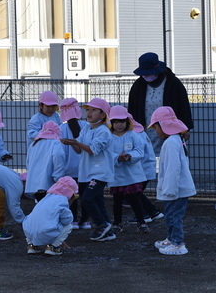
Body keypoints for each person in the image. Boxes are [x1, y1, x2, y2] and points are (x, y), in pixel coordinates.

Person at [61, 98, 116, 242]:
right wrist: (71, 143)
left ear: (103, 114)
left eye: (93, 110)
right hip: (87, 172)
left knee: (87, 198)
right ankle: (108, 230)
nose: (89, 113)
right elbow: (79, 150)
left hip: (100, 173)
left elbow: (92, 150)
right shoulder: (86, 128)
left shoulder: (103, 131)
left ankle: (101, 225)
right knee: (97, 200)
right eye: (88, 110)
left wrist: (75, 141)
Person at [149, 106, 196, 256]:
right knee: (171, 215)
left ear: (164, 125)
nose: (156, 131)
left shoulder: (171, 143)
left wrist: (169, 189)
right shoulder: (177, 140)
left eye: (156, 127)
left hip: (174, 189)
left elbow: (173, 168)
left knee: (173, 216)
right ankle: (171, 239)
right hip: (177, 187)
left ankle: (177, 243)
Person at [127, 52, 194, 155]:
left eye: (148, 73)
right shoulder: (138, 86)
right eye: (144, 74)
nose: (146, 76)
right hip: (145, 131)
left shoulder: (173, 83)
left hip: (169, 131)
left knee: (169, 156)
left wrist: (186, 128)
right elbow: (132, 109)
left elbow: (183, 106)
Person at [108, 106, 150, 234]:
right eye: (115, 121)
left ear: (127, 122)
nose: (118, 124)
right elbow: (107, 153)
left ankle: (141, 222)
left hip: (132, 174)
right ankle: (117, 223)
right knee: (117, 200)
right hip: (118, 174)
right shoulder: (108, 137)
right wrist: (118, 158)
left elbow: (139, 150)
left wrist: (130, 156)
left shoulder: (133, 135)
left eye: (121, 121)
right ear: (111, 123)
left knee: (135, 198)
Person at [22, 176, 78, 256]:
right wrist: (59, 239)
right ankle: (53, 247)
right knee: (68, 225)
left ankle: (32, 246)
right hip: (46, 232)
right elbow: (67, 220)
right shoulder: (62, 200)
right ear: (71, 195)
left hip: (29, 232)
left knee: (33, 224)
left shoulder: (45, 199)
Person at [58, 98, 90, 229]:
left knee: (71, 195)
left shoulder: (61, 129)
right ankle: (85, 220)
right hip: (85, 168)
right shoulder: (86, 126)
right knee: (86, 196)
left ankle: (73, 220)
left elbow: (60, 151)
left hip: (68, 169)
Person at [127, 114, 164, 224]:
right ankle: (152, 212)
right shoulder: (140, 132)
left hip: (141, 169)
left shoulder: (133, 134)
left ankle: (144, 215)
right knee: (136, 193)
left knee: (132, 193)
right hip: (146, 167)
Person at [25, 121, 66, 201]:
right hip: (48, 183)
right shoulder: (56, 143)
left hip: (33, 184)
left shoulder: (33, 144)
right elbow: (58, 157)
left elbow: (28, 163)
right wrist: (58, 177)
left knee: (40, 207)